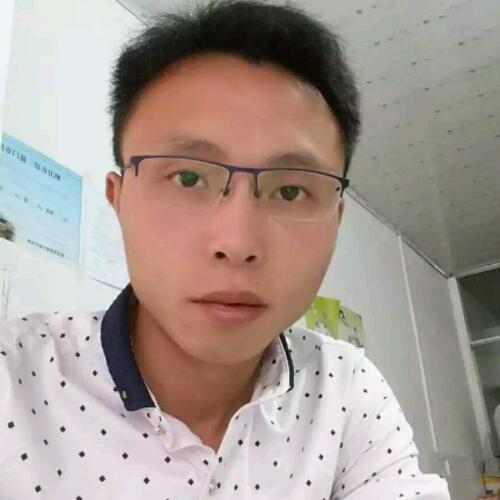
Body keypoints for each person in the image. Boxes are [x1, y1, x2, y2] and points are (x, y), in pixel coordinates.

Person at [0, 0, 451, 498]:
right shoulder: (14, 383)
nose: (237, 244)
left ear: (336, 219)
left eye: (290, 190)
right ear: (119, 199)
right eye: (188, 178)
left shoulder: (347, 393)